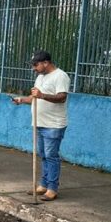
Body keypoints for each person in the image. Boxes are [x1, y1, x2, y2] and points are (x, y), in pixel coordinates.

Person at [12, 50, 71, 201]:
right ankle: (44, 185)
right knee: (44, 155)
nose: (34, 68)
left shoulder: (60, 76)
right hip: (40, 123)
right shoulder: (40, 77)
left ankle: (52, 188)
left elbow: (62, 97)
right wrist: (22, 100)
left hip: (54, 124)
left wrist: (42, 95)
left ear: (46, 63)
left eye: (36, 65)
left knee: (51, 156)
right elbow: (34, 97)